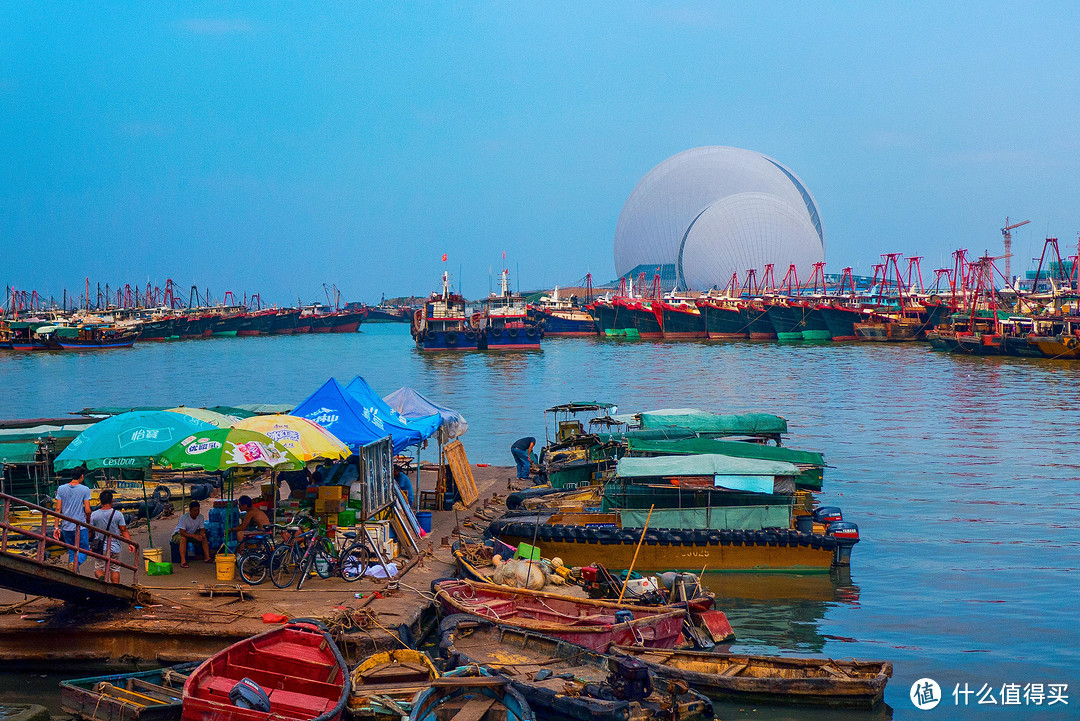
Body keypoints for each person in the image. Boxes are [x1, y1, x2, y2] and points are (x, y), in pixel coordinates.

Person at [89, 490, 135, 583]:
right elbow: (124, 530)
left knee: (98, 568)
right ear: (112, 501)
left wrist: (88, 543)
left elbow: (90, 531)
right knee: (115, 569)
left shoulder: (94, 515)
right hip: (115, 547)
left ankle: (103, 579)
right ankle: (116, 589)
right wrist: (130, 543)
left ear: (100, 501)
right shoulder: (118, 514)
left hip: (100, 547)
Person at [53, 467, 93, 572]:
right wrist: (88, 520)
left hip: (66, 526)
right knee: (85, 550)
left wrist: (56, 527)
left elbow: (58, 509)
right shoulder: (85, 489)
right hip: (80, 526)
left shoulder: (61, 489)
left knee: (72, 552)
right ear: (82, 476)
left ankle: (74, 573)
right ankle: (76, 564)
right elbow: (88, 510)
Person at [173, 501, 212, 568]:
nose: (196, 512)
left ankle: (207, 557)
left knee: (204, 538)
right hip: (178, 534)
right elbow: (182, 532)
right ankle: (183, 561)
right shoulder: (184, 518)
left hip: (192, 533)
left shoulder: (200, 517)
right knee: (183, 538)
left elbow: (202, 529)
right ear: (190, 510)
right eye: (195, 510)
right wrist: (194, 536)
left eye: (198, 510)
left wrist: (202, 534)